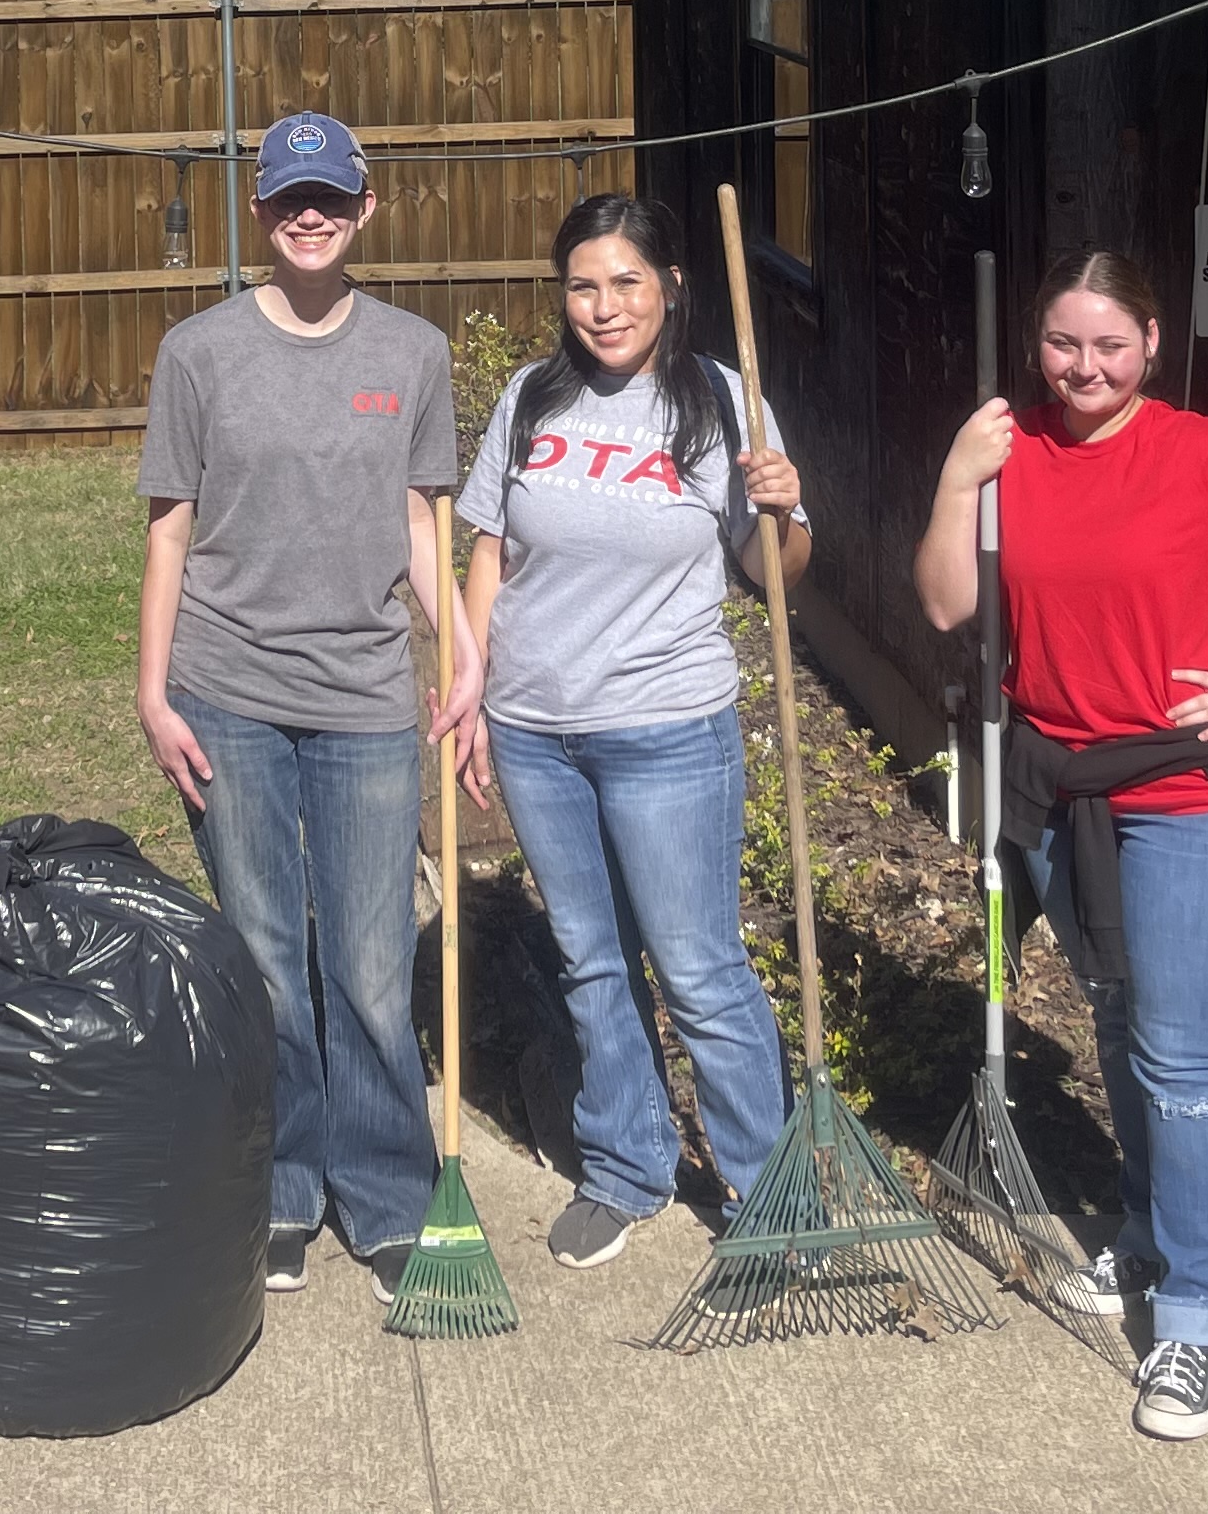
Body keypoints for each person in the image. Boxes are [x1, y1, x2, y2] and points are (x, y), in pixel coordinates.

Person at [916, 248, 1208, 1444]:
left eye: (1109, 346)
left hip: (1185, 789)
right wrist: (955, 476)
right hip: (1060, 787)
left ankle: (1195, 1319)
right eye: (1064, 345)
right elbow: (942, 604)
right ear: (1039, 345)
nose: (1085, 368)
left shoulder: (1207, 456)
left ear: (1151, 344)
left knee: (1181, 1054)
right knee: (1123, 1031)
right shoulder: (1010, 446)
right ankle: (1144, 1236)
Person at [135, 109, 472, 1305]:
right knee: (268, 954)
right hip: (228, 691)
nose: (310, 217)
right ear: (261, 212)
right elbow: (170, 527)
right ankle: (283, 1183)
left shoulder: (413, 354)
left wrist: (464, 653)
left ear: (365, 208)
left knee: (376, 963)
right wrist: (151, 688)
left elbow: (423, 527)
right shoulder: (200, 353)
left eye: (330, 198)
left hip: (369, 696)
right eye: (289, 200)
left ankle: (382, 1190)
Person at [451, 194, 806, 1272]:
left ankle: (765, 1189)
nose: (603, 308)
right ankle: (628, 1165)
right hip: (534, 730)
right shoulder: (531, 398)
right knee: (590, 961)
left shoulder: (719, 403)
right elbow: (488, 552)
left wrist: (783, 510)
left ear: (671, 288)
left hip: (665, 730)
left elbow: (772, 579)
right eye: (582, 285)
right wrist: (468, 688)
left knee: (699, 967)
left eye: (625, 283)